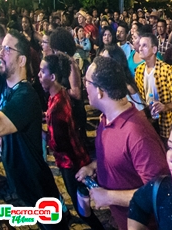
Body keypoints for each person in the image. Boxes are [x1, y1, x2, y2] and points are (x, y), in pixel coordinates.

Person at [0, 31, 66, 229]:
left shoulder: (26, 95)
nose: (0, 53)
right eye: (1, 48)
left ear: (21, 60)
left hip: (37, 185)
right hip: (22, 182)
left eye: (7, 49)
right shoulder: (6, 83)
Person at [76, 55, 169, 229]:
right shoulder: (105, 119)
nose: (84, 86)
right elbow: (119, 158)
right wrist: (95, 166)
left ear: (99, 91)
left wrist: (108, 197)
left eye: (86, 81)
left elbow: (158, 193)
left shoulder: (137, 134)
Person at [39, 53, 106, 230]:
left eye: (42, 71)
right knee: (83, 204)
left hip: (71, 163)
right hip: (77, 157)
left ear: (52, 77)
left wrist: (44, 134)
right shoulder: (60, 93)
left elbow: (58, 144)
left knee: (82, 208)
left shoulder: (57, 107)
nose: (38, 75)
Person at [134, 33, 172, 141]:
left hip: (165, 121)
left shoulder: (167, 70)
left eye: (144, 45)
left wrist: (165, 107)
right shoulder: (139, 70)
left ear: (154, 49)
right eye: (140, 45)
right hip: (147, 119)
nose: (140, 48)